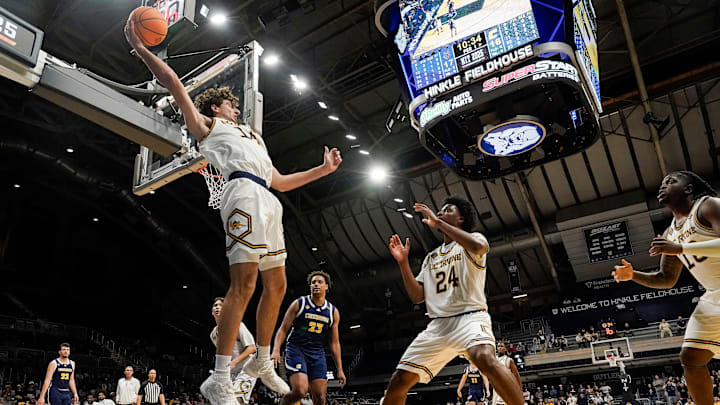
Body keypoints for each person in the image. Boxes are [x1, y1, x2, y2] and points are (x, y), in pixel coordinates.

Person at [124, 15, 343, 405]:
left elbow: (279, 180)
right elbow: (174, 85)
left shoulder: (255, 137)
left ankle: (261, 360)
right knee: (244, 285)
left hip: (267, 199)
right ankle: (219, 376)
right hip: (240, 193)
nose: (236, 109)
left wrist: (322, 170)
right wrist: (142, 49)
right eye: (231, 104)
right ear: (217, 107)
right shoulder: (206, 126)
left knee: (276, 285)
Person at [380, 196, 524, 405]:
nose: (440, 212)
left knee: (484, 358)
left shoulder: (472, 240)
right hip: (438, 325)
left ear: (461, 219)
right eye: (440, 210)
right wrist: (403, 263)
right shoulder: (431, 257)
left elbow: (479, 247)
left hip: (471, 318)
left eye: (447, 210)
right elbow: (418, 296)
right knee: (399, 380)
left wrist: (438, 223)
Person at [613, 171, 720, 405]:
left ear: (689, 188)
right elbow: (666, 278)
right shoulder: (670, 232)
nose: (663, 186)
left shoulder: (708, 206)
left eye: (671, 182)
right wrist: (633, 275)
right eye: (662, 183)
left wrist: (680, 249)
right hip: (714, 296)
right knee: (690, 358)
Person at [271, 271, 346, 405]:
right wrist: (276, 350)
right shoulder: (299, 303)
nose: (316, 284)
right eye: (313, 283)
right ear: (310, 286)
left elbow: (334, 342)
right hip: (296, 349)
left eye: (319, 282)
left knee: (320, 398)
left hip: (317, 353)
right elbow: (283, 329)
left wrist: (339, 369)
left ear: (327, 286)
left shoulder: (332, 312)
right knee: (300, 390)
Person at [209, 297, 257, 405]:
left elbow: (252, 348)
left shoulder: (237, 325)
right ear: (212, 312)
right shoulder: (213, 335)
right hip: (231, 373)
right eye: (215, 305)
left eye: (221, 306)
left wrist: (234, 362)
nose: (217, 307)